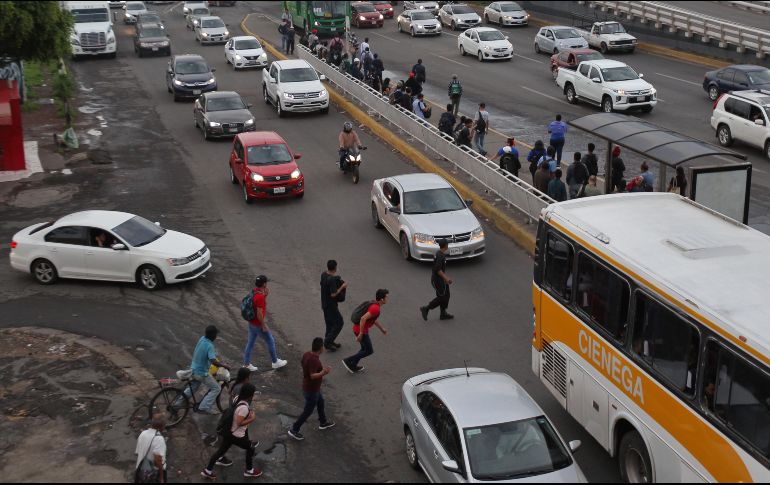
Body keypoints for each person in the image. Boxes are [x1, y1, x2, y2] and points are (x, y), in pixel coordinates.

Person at [201, 383, 262, 480]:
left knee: (220, 451)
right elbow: (239, 423)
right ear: (250, 395)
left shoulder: (237, 398)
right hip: (236, 435)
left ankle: (207, 471)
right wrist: (252, 418)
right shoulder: (244, 407)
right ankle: (249, 471)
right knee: (250, 448)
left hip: (229, 432)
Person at [288, 338, 336, 441]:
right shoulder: (314, 359)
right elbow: (313, 376)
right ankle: (294, 429)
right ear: (320, 348)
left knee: (321, 402)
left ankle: (323, 422)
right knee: (308, 411)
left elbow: (303, 364)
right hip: (311, 390)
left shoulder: (307, 354)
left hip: (312, 388)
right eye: (322, 346)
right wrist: (324, 372)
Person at [243, 275, 288, 372]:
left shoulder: (255, 291)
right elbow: (259, 313)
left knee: (250, 343)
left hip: (251, 323)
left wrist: (265, 296)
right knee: (270, 341)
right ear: (264, 284)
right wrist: (263, 325)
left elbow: (256, 304)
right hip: (258, 324)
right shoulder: (260, 297)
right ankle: (275, 362)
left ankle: (246, 364)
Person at [184, 326, 230, 415]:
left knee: (192, 388)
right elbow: (213, 360)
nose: (216, 336)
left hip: (193, 369)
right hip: (201, 372)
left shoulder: (202, 339)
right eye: (216, 334)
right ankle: (203, 408)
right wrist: (224, 365)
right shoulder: (210, 345)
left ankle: (176, 405)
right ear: (213, 335)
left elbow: (208, 356)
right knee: (216, 388)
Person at [341, 289, 390, 374]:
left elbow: (372, 319)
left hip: (359, 329)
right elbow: (363, 318)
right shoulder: (376, 308)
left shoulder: (375, 304)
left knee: (364, 349)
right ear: (382, 299)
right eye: (386, 297)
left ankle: (353, 365)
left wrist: (381, 329)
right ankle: (348, 360)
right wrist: (361, 333)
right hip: (361, 330)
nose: (387, 299)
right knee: (369, 350)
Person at [420, 239, 454, 321]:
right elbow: (438, 270)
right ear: (445, 245)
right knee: (442, 297)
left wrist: (444, 278)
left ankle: (443, 313)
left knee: (447, 295)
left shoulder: (440, 253)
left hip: (441, 279)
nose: (448, 245)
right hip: (437, 280)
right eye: (447, 244)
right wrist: (446, 278)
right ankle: (426, 308)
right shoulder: (440, 256)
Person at [321, 260, 347, 352]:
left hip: (324, 303)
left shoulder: (323, 274)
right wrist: (342, 287)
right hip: (330, 305)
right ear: (335, 267)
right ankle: (327, 342)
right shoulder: (331, 279)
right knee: (339, 322)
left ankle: (330, 340)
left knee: (330, 323)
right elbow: (333, 294)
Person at [135, 414, 167, 483]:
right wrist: (161, 478)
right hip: (152, 474)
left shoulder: (143, 433)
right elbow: (158, 461)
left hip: (140, 471)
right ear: (162, 427)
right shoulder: (159, 440)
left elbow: (138, 452)